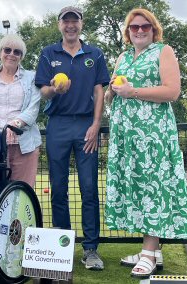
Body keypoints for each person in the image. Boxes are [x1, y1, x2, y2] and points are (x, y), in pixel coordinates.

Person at [104, 8, 187, 278]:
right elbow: (114, 96)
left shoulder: (163, 51)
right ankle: (152, 250)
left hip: (153, 134)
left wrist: (133, 91)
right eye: (134, 27)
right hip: (126, 136)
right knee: (136, 187)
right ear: (128, 32)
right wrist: (113, 91)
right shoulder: (122, 57)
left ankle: (147, 253)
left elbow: (172, 91)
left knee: (153, 187)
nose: (140, 30)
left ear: (154, 29)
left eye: (145, 26)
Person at [35, 6, 110, 270]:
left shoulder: (95, 54)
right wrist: (54, 89)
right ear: (59, 25)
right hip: (58, 126)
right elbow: (42, 91)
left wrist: (96, 125)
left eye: (74, 21)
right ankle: (61, 247)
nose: (70, 25)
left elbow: (99, 91)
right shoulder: (48, 53)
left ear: (81, 24)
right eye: (66, 21)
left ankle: (90, 250)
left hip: (86, 126)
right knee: (58, 188)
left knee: (89, 188)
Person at [0, 33, 42, 187]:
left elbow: (33, 108)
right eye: (7, 50)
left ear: (21, 56)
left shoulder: (31, 77)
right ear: (0, 53)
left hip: (24, 144)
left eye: (17, 52)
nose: (11, 54)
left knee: (22, 191)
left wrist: (15, 124)